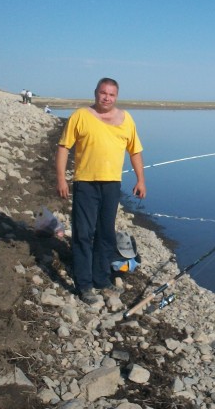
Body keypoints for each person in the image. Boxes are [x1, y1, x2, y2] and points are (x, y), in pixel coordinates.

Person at [56, 77, 146, 305]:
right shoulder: (81, 116)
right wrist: (61, 179)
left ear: (117, 96)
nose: (106, 97)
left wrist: (140, 180)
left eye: (111, 94)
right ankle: (85, 284)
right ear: (95, 93)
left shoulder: (126, 119)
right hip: (85, 183)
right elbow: (64, 147)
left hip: (112, 185)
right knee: (83, 233)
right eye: (103, 93)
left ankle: (101, 278)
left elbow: (135, 151)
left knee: (105, 234)